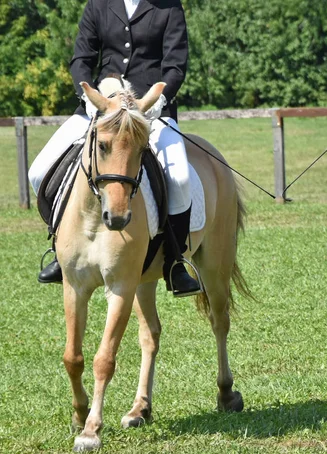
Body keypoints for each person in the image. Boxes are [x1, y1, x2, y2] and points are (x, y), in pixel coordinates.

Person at [28, 0, 201, 297]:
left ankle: (174, 261)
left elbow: (175, 65)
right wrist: (89, 96)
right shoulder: (98, 4)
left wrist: (155, 102)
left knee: (181, 179)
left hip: (150, 111)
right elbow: (82, 57)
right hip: (102, 110)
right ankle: (61, 248)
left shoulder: (169, 6)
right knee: (38, 171)